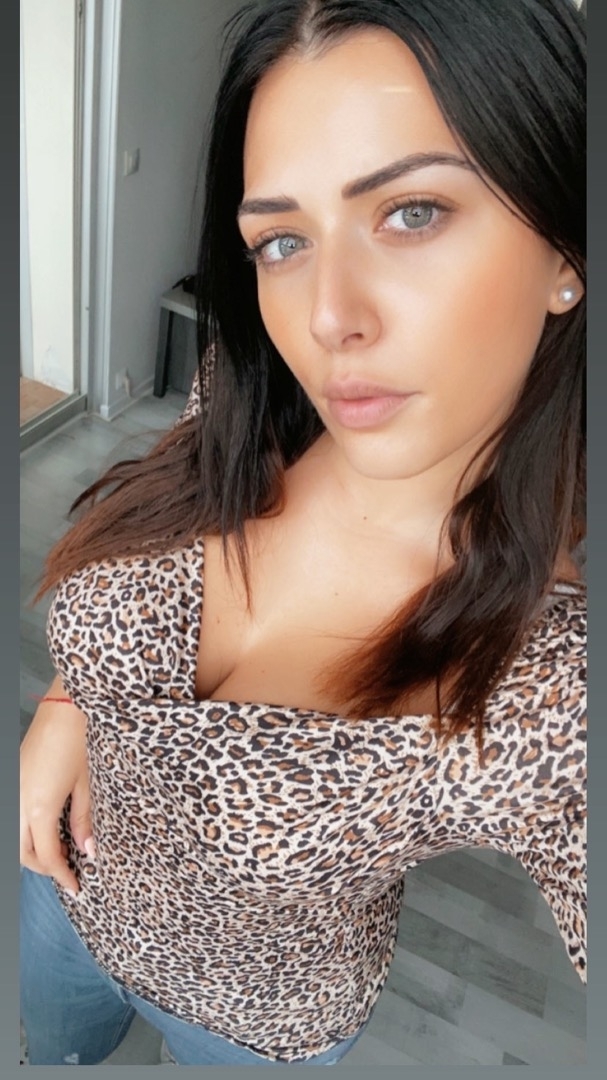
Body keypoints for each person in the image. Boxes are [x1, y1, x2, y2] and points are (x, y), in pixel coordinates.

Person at [19, 0, 586, 1067]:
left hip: (252, 1024)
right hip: (62, 898)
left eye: (411, 212)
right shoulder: (247, 389)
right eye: (281, 241)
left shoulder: (549, 688)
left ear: (567, 246)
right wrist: (67, 705)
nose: (326, 317)